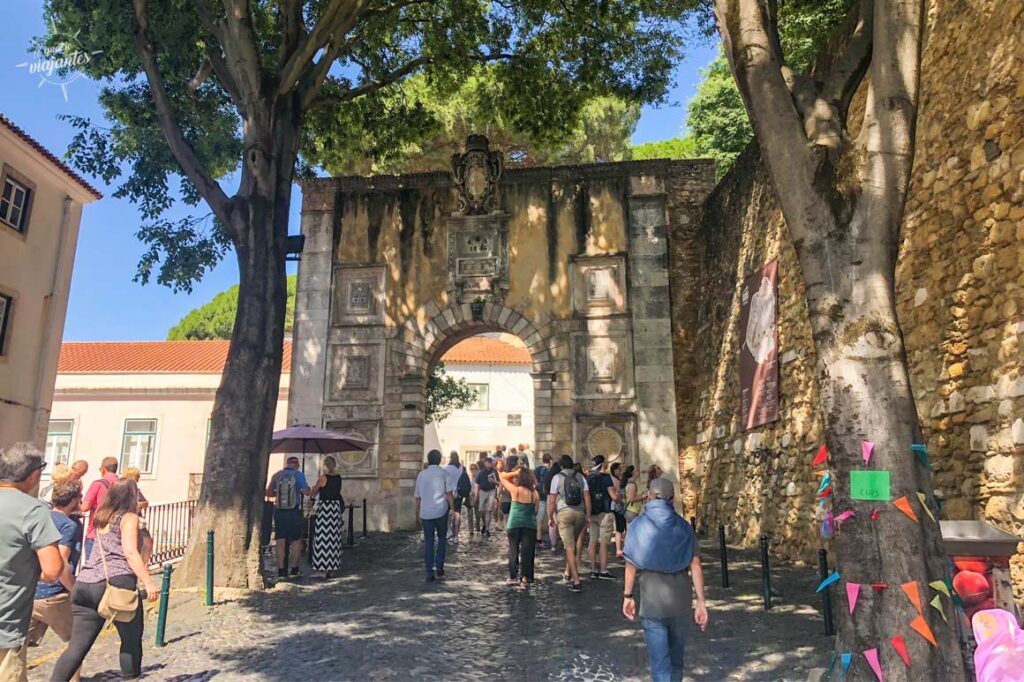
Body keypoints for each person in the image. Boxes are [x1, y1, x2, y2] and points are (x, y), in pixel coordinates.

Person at [51, 479, 159, 681]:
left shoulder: (101, 518)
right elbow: (130, 552)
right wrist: (148, 581)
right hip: (116, 583)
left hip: (85, 583)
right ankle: (131, 678)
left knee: (76, 648)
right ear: (131, 497)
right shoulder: (128, 518)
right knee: (131, 639)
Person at [622, 478, 708, 682]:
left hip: (652, 605)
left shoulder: (636, 526)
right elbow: (695, 565)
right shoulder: (685, 527)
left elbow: (630, 566)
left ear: (649, 497)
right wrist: (701, 602)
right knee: (677, 662)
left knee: (660, 666)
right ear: (673, 499)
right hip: (681, 603)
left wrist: (628, 596)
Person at [0, 443, 63, 682]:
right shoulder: (33, 510)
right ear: (34, 474)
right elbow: (53, 569)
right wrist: (26, 570)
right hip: (6, 622)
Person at [28, 479, 83, 681]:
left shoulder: (42, 518)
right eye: (80, 497)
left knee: (16, 643)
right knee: (77, 642)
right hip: (54, 595)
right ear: (74, 499)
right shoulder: (68, 526)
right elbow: (61, 563)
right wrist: (74, 590)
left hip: (31, 590)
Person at [547, 455, 591, 593]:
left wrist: (550, 517)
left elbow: (552, 501)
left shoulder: (557, 478)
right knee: (572, 545)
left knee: (569, 547)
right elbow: (587, 497)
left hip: (564, 513)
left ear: (561, 466)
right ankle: (567, 573)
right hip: (580, 513)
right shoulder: (581, 477)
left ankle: (576, 581)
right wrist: (588, 515)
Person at [266, 456, 313, 578]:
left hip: (279, 511)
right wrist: (305, 489)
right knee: (296, 541)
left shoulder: (277, 475)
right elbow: (307, 492)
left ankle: (281, 571)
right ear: (297, 465)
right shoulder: (298, 475)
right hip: (293, 511)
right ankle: (294, 570)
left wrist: (279, 494)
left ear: (286, 464)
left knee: (280, 541)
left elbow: (269, 493)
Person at [414, 450, 456, 582]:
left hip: (426, 512)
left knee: (428, 541)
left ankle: (428, 571)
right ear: (438, 460)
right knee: (442, 538)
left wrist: (417, 512)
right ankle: (439, 565)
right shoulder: (444, 473)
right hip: (440, 511)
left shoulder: (422, 475)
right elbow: (449, 493)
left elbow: (417, 496)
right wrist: (453, 509)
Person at [498, 464, 538, 589]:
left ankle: (513, 577)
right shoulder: (535, 493)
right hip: (529, 524)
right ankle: (526, 578)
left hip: (514, 524)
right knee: (528, 552)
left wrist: (515, 473)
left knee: (513, 550)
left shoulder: (515, 490)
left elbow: (502, 477)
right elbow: (535, 511)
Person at [309, 456, 344, 580]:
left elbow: (314, 492)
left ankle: (322, 569)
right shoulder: (339, 478)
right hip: (335, 509)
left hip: (325, 508)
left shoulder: (323, 478)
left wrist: (313, 493)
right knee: (333, 538)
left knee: (322, 538)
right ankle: (331, 568)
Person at [586, 456, 620, 580]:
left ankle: (593, 570)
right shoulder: (606, 477)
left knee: (592, 541)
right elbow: (613, 496)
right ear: (602, 464)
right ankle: (603, 570)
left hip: (592, 513)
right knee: (604, 543)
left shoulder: (589, 477)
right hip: (605, 512)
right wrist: (619, 499)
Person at [80, 457, 119, 560]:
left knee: (92, 565)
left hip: (96, 531)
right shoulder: (123, 484)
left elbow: (84, 507)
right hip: (116, 532)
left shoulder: (98, 484)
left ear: (103, 469)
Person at [445, 452, 470, 544]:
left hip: (448, 493)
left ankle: (449, 530)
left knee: (446, 513)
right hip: (459, 494)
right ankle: (456, 536)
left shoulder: (446, 469)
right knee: (457, 513)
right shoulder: (462, 468)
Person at [475, 458, 498, 537]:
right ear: (485, 463)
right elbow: (477, 484)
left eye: (490, 462)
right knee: (481, 510)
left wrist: (494, 481)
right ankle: (484, 523)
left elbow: (499, 483)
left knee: (489, 510)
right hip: (482, 492)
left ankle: (487, 528)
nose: (490, 464)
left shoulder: (494, 471)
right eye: (488, 462)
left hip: (491, 491)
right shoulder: (481, 472)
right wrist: (476, 495)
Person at [533, 453, 551, 549]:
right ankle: (541, 540)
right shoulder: (550, 471)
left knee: (538, 519)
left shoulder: (537, 469)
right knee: (547, 518)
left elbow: (533, 480)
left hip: (537, 496)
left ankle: (537, 538)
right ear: (550, 461)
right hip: (546, 496)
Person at [610, 462, 627, 558]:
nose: (620, 471)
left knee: (622, 527)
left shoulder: (618, 479)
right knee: (620, 528)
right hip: (618, 506)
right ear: (614, 470)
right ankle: (619, 549)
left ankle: (623, 548)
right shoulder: (615, 480)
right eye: (619, 469)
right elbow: (618, 493)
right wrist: (622, 502)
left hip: (620, 505)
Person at [466, 463, 479, 536]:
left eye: (474, 469)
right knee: (470, 513)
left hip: (477, 496)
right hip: (470, 496)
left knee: (478, 514)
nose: (473, 470)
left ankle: (477, 526)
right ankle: (471, 529)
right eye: (471, 469)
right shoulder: (469, 477)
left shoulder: (479, 477)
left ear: (477, 469)